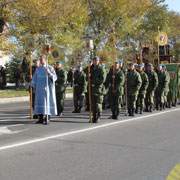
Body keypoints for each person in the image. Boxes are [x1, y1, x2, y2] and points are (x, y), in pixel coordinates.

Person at [30, 54, 57, 125]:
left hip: (47, 89)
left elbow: (54, 78)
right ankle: (41, 118)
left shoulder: (50, 68)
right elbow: (34, 79)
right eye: (40, 59)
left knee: (47, 102)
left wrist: (49, 73)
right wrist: (34, 88)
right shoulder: (38, 69)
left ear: (45, 59)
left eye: (42, 59)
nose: (41, 61)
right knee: (40, 103)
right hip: (39, 90)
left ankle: (47, 118)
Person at [89, 56, 106, 123]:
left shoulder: (101, 69)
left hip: (99, 89)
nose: (95, 62)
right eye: (94, 60)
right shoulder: (90, 68)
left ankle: (98, 116)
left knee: (98, 104)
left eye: (97, 60)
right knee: (93, 104)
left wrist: (92, 80)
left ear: (98, 61)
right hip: (92, 89)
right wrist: (88, 76)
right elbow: (86, 76)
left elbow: (102, 79)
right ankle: (94, 116)